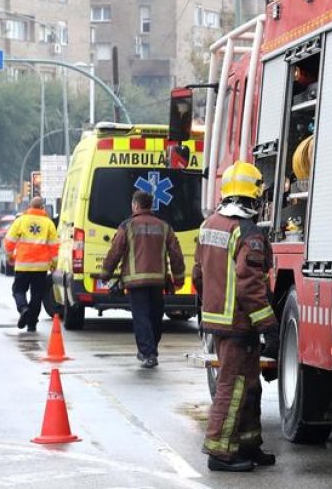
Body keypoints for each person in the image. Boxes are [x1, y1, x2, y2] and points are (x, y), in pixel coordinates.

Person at [193, 161, 278, 472]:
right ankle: (220, 453)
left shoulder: (209, 225)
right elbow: (250, 284)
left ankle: (248, 444)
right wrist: (269, 327)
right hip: (240, 324)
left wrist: (208, 307)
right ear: (254, 197)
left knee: (249, 385)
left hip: (218, 320)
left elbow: (198, 273)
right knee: (232, 386)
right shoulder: (248, 233)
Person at [100, 190, 186, 368]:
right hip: (157, 281)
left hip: (135, 282)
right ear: (150, 205)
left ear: (136, 205)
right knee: (155, 317)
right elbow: (176, 253)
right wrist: (178, 278)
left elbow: (115, 251)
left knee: (142, 318)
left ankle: (148, 353)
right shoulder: (164, 226)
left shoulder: (127, 226)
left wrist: (106, 273)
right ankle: (151, 349)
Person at [4, 197, 59, 332]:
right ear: (42, 208)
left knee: (18, 290)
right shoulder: (48, 223)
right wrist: (54, 264)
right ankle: (32, 324)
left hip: (23, 265)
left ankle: (23, 309)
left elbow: (9, 241)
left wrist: (10, 256)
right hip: (41, 267)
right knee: (37, 295)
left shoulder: (21, 221)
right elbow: (54, 246)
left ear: (29, 207)